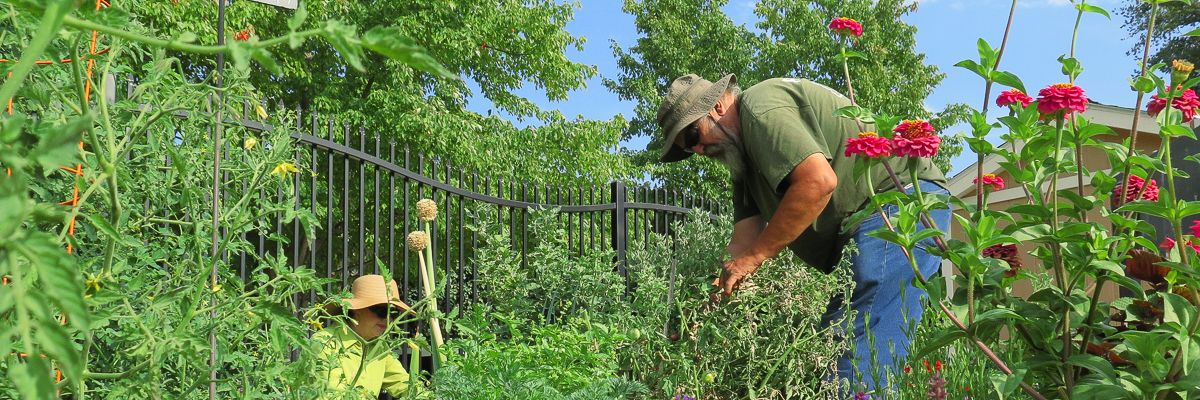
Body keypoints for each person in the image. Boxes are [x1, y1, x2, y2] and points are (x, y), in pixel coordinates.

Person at [655, 73, 951, 391]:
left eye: (692, 135)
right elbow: (742, 246)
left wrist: (755, 257)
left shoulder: (759, 107)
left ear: (716, 106)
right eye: (687, 148)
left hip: (899, 205)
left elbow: (817, 183)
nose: (698, 149)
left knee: (856, 348)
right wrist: (702, 308)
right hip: (870, 225)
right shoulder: (744, 165)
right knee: (833, 343)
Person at [314, 274, 428, 399]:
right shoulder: (325, 343)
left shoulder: (379, 347)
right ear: (357, 310)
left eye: (393, 313)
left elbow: (405, 385)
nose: (387, 319)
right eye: (381, 311)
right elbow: (331, 396)